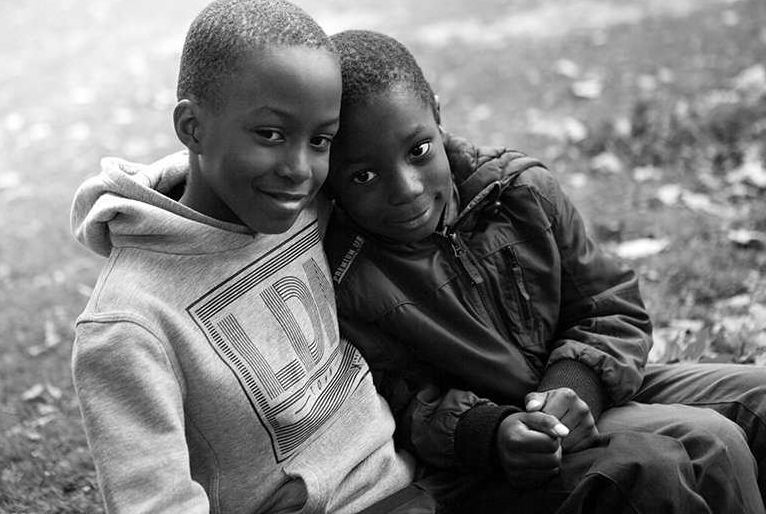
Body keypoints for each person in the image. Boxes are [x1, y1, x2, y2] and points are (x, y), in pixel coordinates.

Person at [322, 29, 766, 513]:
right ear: (329, 177)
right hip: (504, 440)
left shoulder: (517, 191)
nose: (405, 188)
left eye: (419, 151)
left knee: (758, 400)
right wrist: (489, 433)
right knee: (710, 441)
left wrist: (574, 387)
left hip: (587, 388)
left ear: (437, 114)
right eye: (362, 175)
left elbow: (608, 304)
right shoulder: (353, 276)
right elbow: (399, 401)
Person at [70, 0, 425, 514]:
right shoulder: (128, 325)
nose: (299, 168)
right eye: (270, 134)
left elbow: (415, 165)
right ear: (193, 127)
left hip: (417, 477)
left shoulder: (309, 204)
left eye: (320, 140)